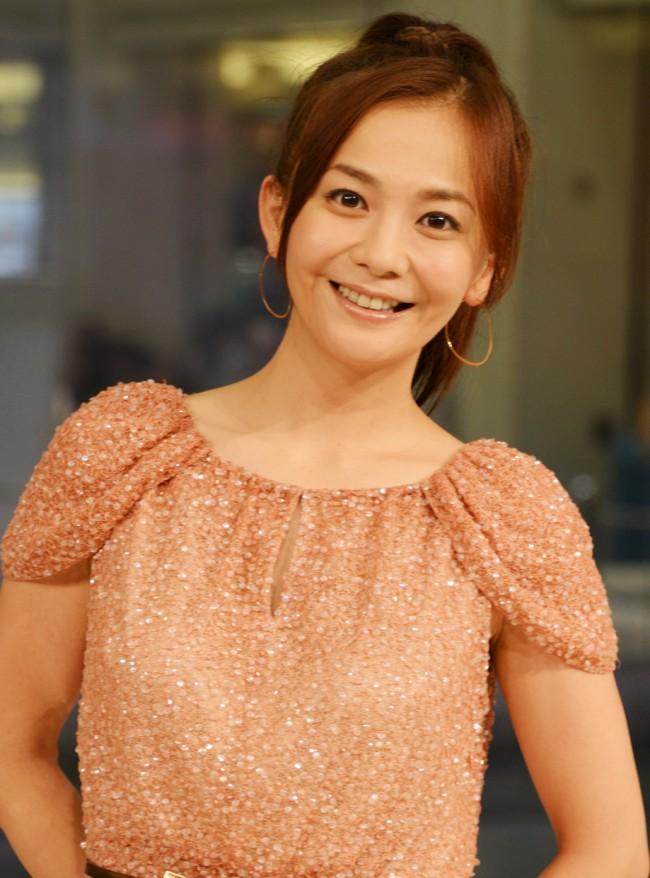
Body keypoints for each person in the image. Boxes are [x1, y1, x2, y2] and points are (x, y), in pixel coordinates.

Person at [0, 11, 647, 878]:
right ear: (278, 213)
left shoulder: (503, 517)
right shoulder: (123, 454)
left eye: (438, 221)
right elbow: (12, 746)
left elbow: (611, 849)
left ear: (486, 269)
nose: (382, 253)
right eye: (348, 199)